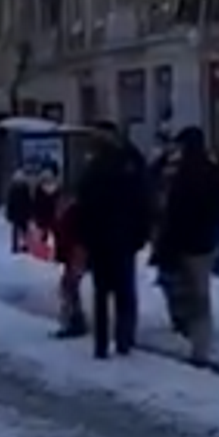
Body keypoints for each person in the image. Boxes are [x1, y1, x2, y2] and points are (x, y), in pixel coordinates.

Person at [151, 126, 219, 364]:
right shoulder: (212, 171)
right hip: (205, 243)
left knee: (190, 294)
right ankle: (199, 340)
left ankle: (199, 346)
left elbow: (174, 210)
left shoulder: (182, 175)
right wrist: (215, 232)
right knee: (200, 292)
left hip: (184, 242)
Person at [73, 121, 151, 359]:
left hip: (101, 239)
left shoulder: (94, 167)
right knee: (124, 291)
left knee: (102, 292)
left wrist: (84, 238)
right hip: (123, 238)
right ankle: (124, 339)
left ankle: (102, 343)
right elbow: (143, 201)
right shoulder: (130, 163)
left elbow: (83, 206)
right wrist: (140, 234)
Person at [50, 187, 88, 338]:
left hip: (76, 253)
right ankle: (75, 320)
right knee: (69, 287)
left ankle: (74, 322)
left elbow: (72, 235)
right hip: (72, 254)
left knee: (68, 286)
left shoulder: (73, 213)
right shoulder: (68, 213)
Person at [3, 169, 35, 253]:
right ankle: (22, 245)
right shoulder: (23, 188)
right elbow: (28, 201)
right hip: (21, 213)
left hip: (20, 213)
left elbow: (11, 202)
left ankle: (19, 246)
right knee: (21, 230)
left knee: (19, 231)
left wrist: (9, 213)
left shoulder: (17, 189)